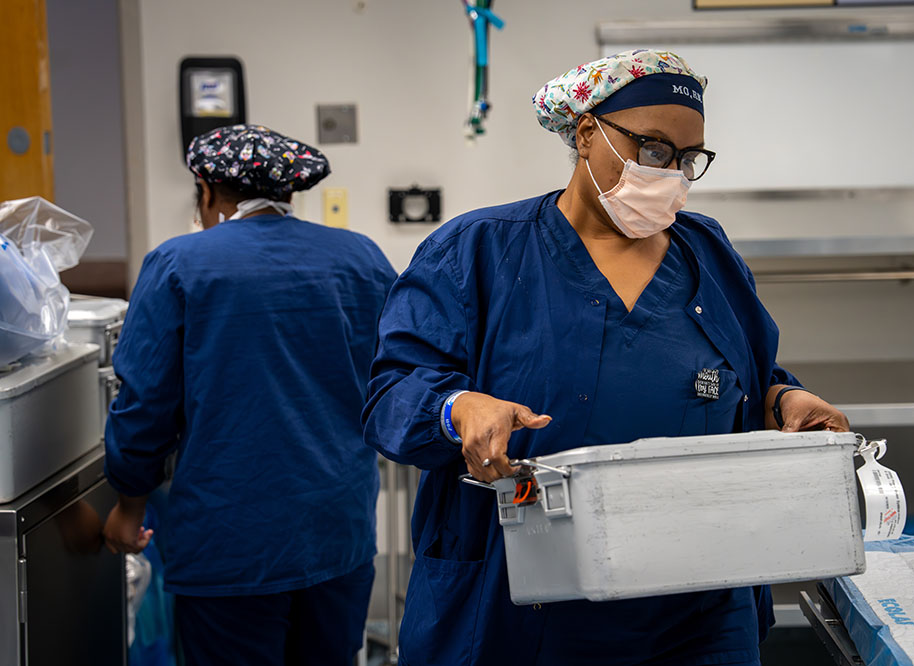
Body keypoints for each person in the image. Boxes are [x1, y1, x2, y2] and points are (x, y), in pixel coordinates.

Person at [363, 49, 849, 665]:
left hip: (697, 610)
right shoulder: (479, 251)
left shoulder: (708, 251)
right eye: (652, 149)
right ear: (588, 133)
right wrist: (459, 408)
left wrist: (783, 400)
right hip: (523, 607)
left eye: (688, 158)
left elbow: (747, 374)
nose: (670, 173)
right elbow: (393, 395)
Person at [102, 125, 397, 666]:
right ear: (291, 190)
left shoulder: (179, 265)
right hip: (338, 533)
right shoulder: (362, 258)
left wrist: (129, 504)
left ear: (206, 190)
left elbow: (145, 403)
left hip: (231, 542)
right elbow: (396, 380)